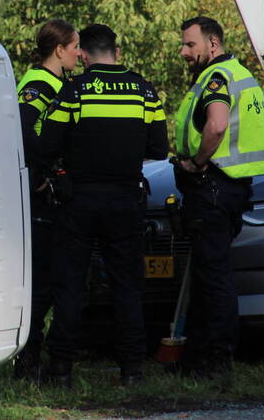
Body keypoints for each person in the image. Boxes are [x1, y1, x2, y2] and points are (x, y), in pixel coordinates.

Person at [40, 24, 168, 388]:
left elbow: (47, 144)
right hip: (126, 199)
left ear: (83, 55)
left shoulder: (74, 90)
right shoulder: (144, 91)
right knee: (127, 286)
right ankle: (132, 370)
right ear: (116, 52)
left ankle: (60, 371)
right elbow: (159, 148)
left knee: (70, 285)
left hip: (79, 201)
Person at [172, 16, 264, 385]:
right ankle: (198, 358)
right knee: (208, 273)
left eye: (190, 44)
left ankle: (217, 361)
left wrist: (197, 162)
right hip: (231, 189)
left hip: (213, 186)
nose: (184, 52)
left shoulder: (216, 78)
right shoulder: (239, 73)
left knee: (213, 277)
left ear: (212, 44)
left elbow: (216, 125)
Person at [13, 19, 82, 380]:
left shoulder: (59, 83)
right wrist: (38, 176)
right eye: (75, 47)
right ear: (59, 49)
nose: (79, 54)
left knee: (54, 278)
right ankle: (27, 360)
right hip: (40, 196)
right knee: (40, 282)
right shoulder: (39, 83)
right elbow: (22, 128)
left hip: (56, 195)